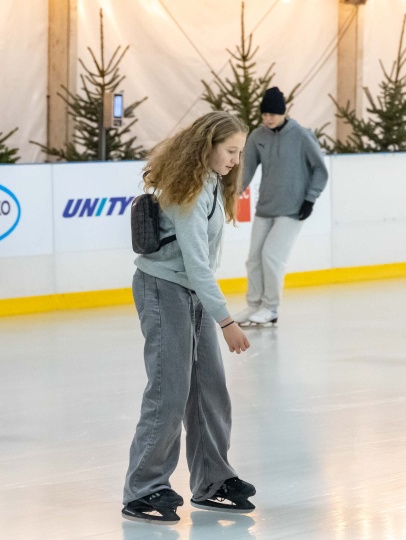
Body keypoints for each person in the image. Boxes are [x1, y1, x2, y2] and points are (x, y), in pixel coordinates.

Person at [122, 111, 255, 525]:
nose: (236, 159)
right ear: (208, 146)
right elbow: (197, 265)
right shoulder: (191, 191)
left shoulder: (212, 182)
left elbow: (199, 269)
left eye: (239, 152)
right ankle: (144, 488)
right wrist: (226, 320)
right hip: (163, 290)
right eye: (230, 150)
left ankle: (213, 480)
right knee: (170, 388)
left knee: (210, 387)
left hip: (190, 291)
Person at [231, 87, 329, 326]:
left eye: (272, 114)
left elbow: (320, 170)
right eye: (264, 115)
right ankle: (254, 305)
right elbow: (246, 169)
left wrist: (310, 199)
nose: (268, 119)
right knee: (253, 258)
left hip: (293, 209)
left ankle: (271, 308)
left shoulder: (301, 135)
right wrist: (233, 191)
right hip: (266, 207)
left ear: (283, 112)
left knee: (271, 256)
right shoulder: (258, 136)